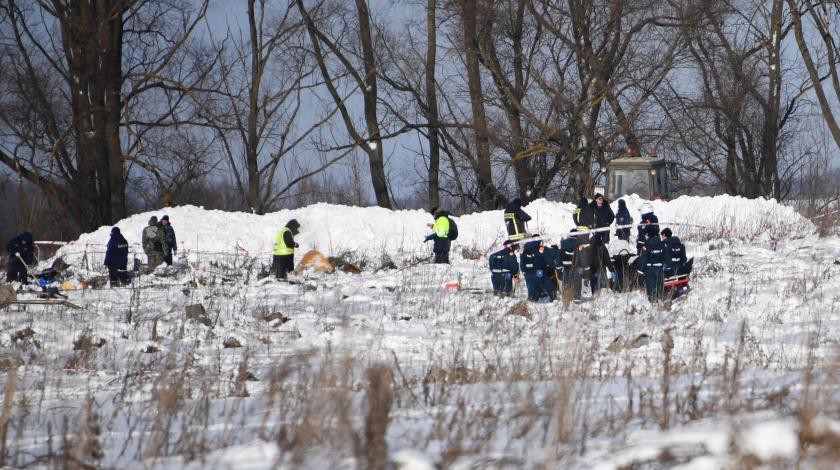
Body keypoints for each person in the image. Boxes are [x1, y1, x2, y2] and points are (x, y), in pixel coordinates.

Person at [519, 237, 553, 302]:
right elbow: (549, 261)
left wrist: (524, 271)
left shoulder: (524, 250)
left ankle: (532, 300)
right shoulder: (540, 249)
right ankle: (551, 298)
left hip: (528, 274)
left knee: (532, 288)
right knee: (550, 286)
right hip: (539, 272)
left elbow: (522, 263)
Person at [638, 226, 666, 302]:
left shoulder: (646, 245)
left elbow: (644, 259)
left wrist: (640, 271)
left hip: (649, 269)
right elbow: (665, 256)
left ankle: (653, 304)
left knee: (651, 289)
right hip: (660, 269)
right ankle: (662, 304)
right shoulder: (662, 244)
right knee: (661, 288)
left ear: (649, 234)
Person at [559, 230, 580, 303]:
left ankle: (566, 297)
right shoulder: (579, 243)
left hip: (565, 266)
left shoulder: (563, 243)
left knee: (566, 282)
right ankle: (576, 297)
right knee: (576, 281)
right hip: (575, 266)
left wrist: (559, 267)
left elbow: (560, 255)